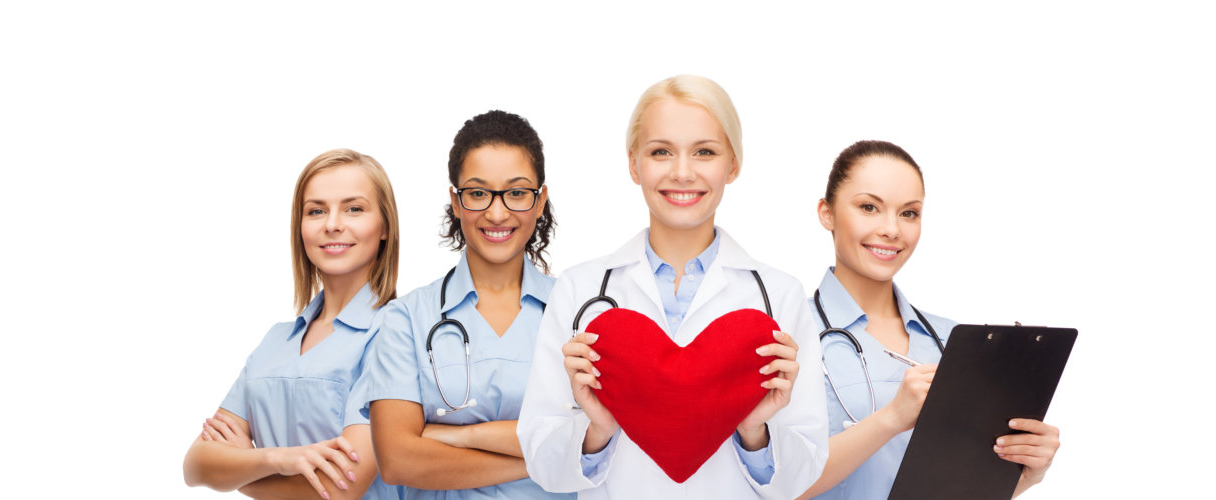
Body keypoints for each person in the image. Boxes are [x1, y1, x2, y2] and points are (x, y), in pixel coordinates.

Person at [516, 75, 826, 498]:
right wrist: (597, 427)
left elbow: (802, 477)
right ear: (634, 164)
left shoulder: (781, 296)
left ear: (732, 165)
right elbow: (543, 465)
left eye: (704, 152)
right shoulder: (578, 290)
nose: (682, 172)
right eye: (661, 151)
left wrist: (754, 429)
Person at [794, 140, 1062, 500]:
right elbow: (774, 487)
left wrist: (1025, 471)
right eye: (869, 207)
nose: (892, 229)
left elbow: (961, 485)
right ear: (826, 213)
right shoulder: (790, 332)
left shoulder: (952, 340)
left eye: (909, 213)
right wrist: (891, 418)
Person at [358, 110, 572, 499]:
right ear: (455, 203)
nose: (496, 212)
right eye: (477, 193)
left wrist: (460, 435)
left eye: (517, 192)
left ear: (540, 201)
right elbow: (397, 461)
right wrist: (545, 459)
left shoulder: (576, 311)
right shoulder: (405, 319)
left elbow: (595, 437)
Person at [183, 149, 403, 500]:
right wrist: (279, 458)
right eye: (316, 210)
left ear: (385, 228)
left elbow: (341, 485)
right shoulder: (275, 341)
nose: (332, 224)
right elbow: (195, 465)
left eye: (354, 209)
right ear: (300, 228)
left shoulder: (396, 334)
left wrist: (240, 471)